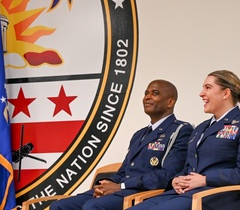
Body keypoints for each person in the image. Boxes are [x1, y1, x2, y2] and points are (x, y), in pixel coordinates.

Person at [127, 70, 240, 210]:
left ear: (225, 93)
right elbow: (189, 168)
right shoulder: (201, 128)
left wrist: (205, 179)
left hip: (220, 197)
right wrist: (176, 180)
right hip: (187, 194)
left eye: (208, 87)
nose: (201, 93)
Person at [50, 79, 194, 210]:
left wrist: (121, 186)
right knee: (59, 206)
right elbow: (123, 171)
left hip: (142, 193)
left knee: (92, 207)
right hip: (121, 189)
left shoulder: (180, 130)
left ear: (170, 102)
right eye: (146, 93)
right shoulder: (139, 134)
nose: (147, 97)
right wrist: (108, 183)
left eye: (155, 93)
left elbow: (168, 175)